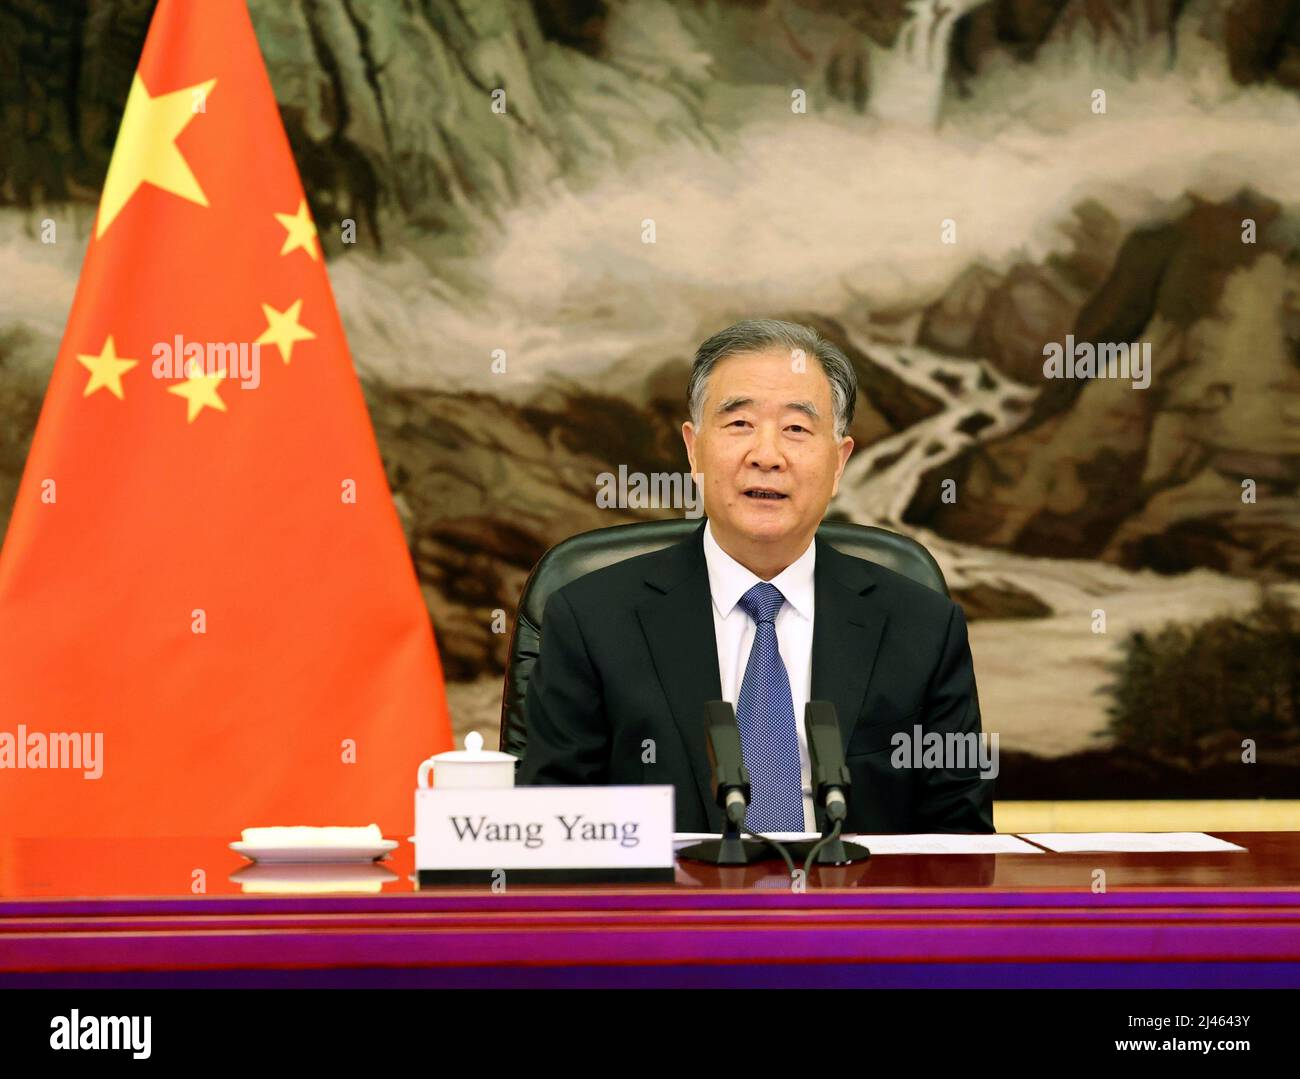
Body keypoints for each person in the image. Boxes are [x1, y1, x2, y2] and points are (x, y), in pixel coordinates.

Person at [518, 319, 994, 834]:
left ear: (839, 462)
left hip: (853, 908)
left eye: (796, 428)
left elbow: (960, 842)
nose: (766, 456)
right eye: (739, 424)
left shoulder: (921, 626)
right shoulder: (591, 618)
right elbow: (551, 835)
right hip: (672, 909)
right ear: (693, 449)